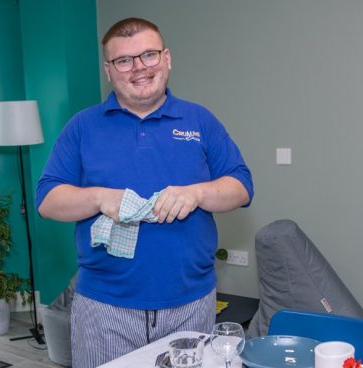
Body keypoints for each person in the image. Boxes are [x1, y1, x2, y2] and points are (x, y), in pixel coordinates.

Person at [36, 17, 253, 368]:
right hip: (104, 309)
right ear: (109, 70)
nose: (138, 68)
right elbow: (47, 200)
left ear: (166, 58)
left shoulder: (200, 121)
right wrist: (98, 197)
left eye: (148, 55)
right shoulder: (82, 126)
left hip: (191, 304)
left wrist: (196, 193)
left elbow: (241, 186)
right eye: (124, 60)